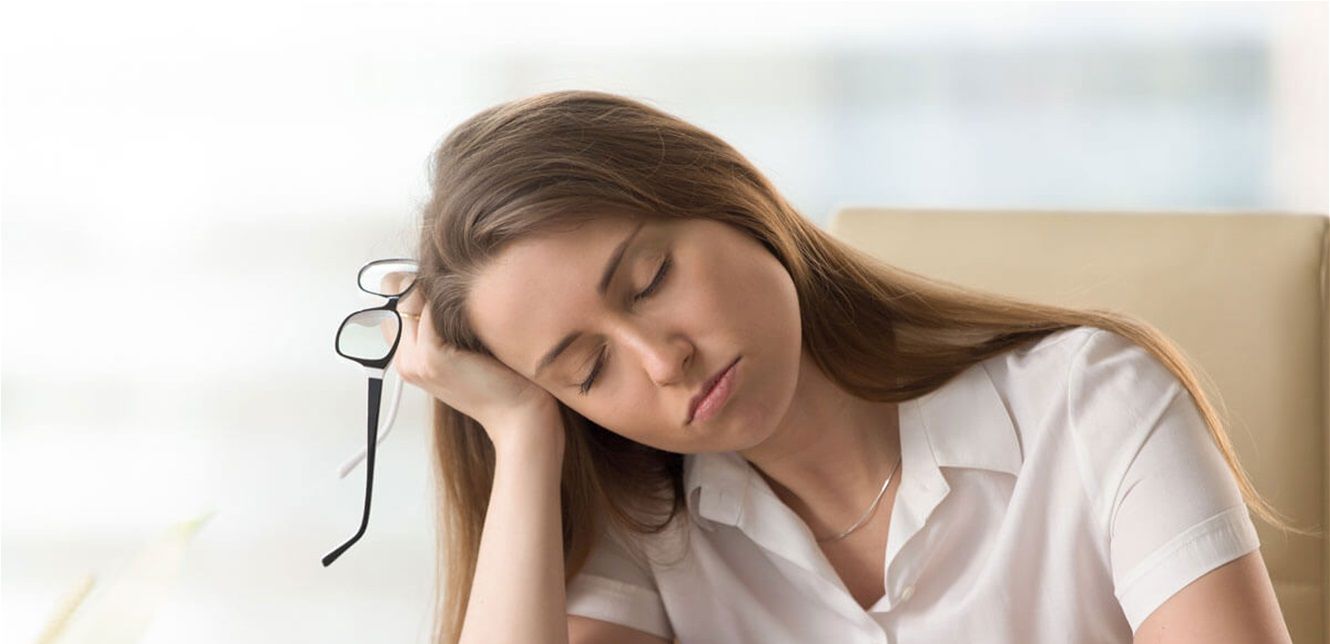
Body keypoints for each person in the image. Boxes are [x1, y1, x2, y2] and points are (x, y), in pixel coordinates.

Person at [388, 90, 1303, 644]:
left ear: (726, 196)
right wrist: (522, 434)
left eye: (651, 279)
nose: (663, 362)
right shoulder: (645, 522)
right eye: (589, 371)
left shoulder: (1092, 402)